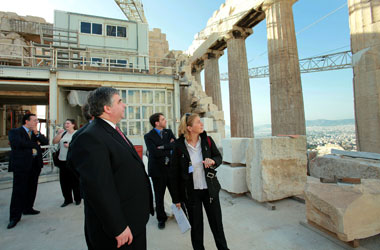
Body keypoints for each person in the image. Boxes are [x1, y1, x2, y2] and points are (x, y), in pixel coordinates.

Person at [70, 87, 153, 250]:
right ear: (107, 108)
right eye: (120, 101)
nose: (125, 105)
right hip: (119, 231)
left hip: (132, 219)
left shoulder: (110, 129)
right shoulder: (90, 137)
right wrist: (118, 227)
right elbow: (98, 188)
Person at [170, 113, 229, 250]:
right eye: (198, 122)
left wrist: (213, 161)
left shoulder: (207, 140)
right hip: (191, 192)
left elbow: (218, 157)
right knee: (196, 227)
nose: (201, 124)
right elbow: (173, 174)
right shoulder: (178, 146)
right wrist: (176, 198)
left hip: (210, 190)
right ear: (189, 128)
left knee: (217, 224)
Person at [7, 113, 48, 229]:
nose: (36, 123)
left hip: (35, 165)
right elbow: (18, 144)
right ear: (26, 121)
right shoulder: (15, 132)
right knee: (19, 191)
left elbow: (45, 142)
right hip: (21, 166)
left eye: (37, 121)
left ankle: (28, 208)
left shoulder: (35, 133)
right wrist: (35, 144)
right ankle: (14, 217)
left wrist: (37, 134)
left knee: (32, 187)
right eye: (34, 120)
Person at [144, 113, 175, 229]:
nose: (165, 120)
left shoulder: (169, 132)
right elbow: (154, 152)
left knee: (176, 194)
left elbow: (175, 145)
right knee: (159, 196)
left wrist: (161, 147)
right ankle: (161, 219)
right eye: (163, 119)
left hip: (171, 169)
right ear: (157, 123)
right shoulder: (148, 136)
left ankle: (181, 215)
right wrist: (168, 146)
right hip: (157, 171)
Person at [53, 119, 81, 207]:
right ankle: (67, 199)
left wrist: (70, 146)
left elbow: (81, 146)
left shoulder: (77, 133)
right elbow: (54, 141)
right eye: (65, 123)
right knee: (64, 182)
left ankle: (77, 198)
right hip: (62, 160)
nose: (66, 125)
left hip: (72, 161)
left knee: (74, 181)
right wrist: (59, 134)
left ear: (73, 124)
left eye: (68, 123)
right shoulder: (64, 133)